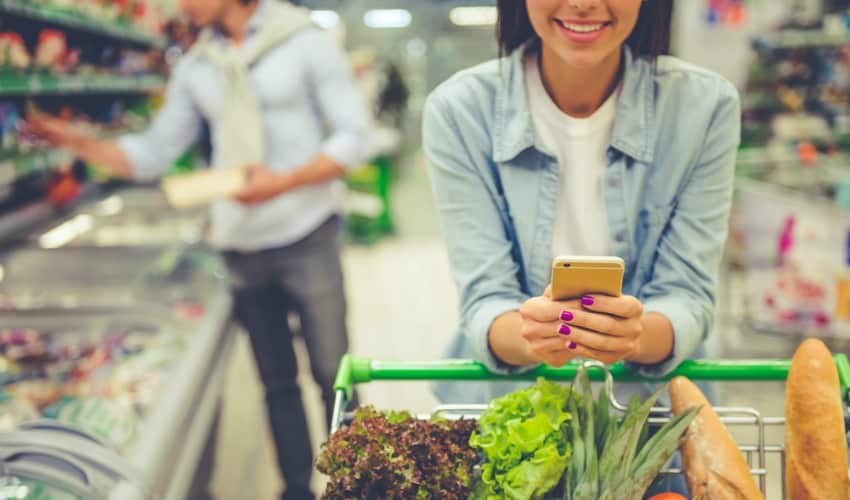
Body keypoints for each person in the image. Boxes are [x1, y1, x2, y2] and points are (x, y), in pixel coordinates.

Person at [27, 0, 370, 498]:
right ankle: (296, 488)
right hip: (241, 243)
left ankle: (359, 486)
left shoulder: (303, 41)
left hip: (306, 231)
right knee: (275, 383)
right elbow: (155, 153)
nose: (181, 4)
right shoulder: (197, 66)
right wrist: (78, 142)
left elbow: (353, 137)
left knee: (334, 373)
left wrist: (286, 181)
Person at [423, 0, 739, 411]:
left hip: (652, 423)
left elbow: (686, 295)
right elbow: (486, 299)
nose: (584, 4)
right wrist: (534, 334)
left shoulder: (704, 107)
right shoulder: (459, 110)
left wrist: (633, 335)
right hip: (512, 416)